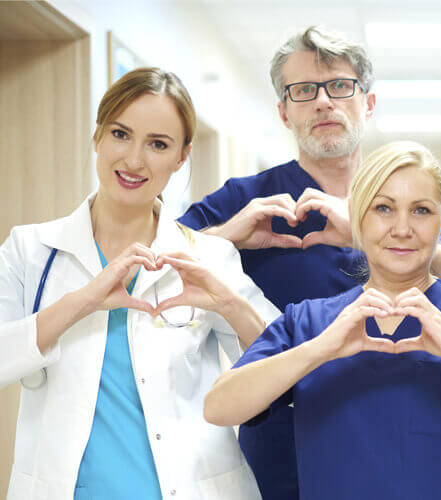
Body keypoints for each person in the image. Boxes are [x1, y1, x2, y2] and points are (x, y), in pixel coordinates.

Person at [178, 26, 441, 498]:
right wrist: (228, 236)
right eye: (304, 91)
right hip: (285, 450)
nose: (324, 102)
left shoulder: (406, 198)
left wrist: (362, 229)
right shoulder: (247, 200)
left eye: (340, 87)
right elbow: (160, 265)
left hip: (408, 438)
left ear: (367, 102)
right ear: (283, 111)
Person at [202, 141, 441, 499]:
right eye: (383, 208)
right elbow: (220, 407)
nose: (403, 229)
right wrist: (322, 349)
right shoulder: (310, 322)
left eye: (421, 211)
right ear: (357, 217)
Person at [0, 67, 279, 499]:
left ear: (181, 157)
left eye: (158, 144)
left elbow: (284, 367)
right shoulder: (31, 248)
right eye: (120, 134)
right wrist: (84, 301)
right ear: (97, 136)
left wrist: (227, 302)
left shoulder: (208, 257)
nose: (133, 160)